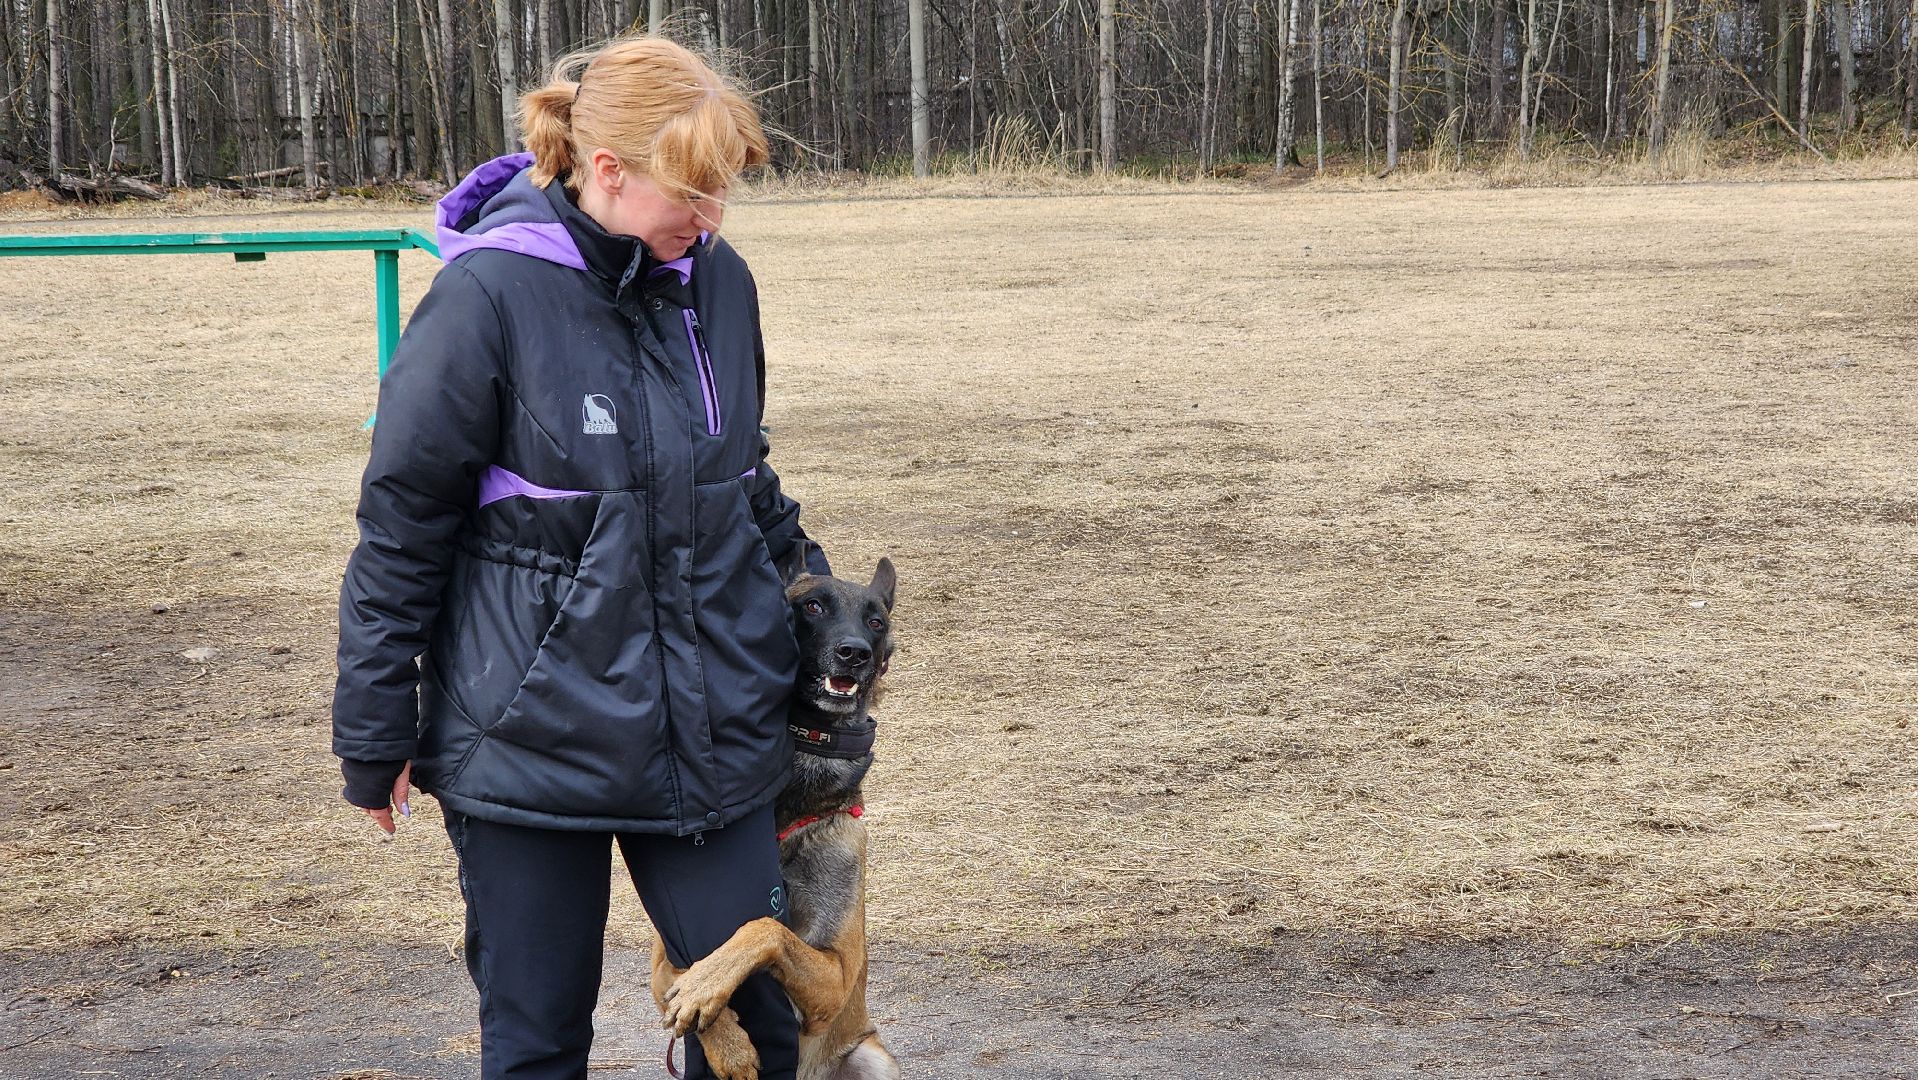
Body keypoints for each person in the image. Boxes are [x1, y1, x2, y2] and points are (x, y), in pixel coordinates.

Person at [331, 35, 828, 1080]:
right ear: (607, 170)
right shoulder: (486, 300)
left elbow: (744, 480)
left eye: (724, 190)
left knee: (759, 1028)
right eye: (693, 190)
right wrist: (373, 728)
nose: (712, 217)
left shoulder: (718, 284)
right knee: (538, 1044)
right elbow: (403, 522)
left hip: (710, 734)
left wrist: (821, 607)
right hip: (527, 743)